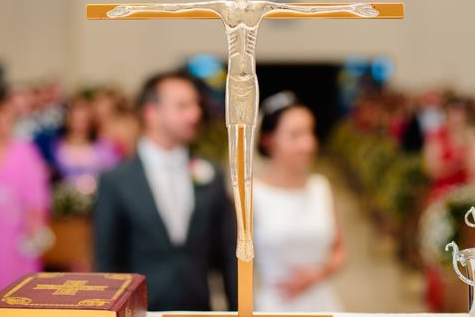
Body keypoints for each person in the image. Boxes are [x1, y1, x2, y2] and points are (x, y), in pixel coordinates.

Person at [94, 71, 237, 311]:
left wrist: (237, 311)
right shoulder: (115, 181)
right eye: (183, 106)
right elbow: (107, 264)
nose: (195, 114)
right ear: (151, 113)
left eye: (195, 105)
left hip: (199, 308)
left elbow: (227, 255)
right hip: (142, 311)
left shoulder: (211, 174)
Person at [253, 92, 344, 312]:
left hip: (321, 302)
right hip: (275, 305)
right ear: (269, 140)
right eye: (295, 135)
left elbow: (340, 249)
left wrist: (318, 274)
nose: (308, 144)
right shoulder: (252, 194)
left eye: (310, 132)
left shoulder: (320, 187)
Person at [0, 92, 51, 307]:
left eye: (8, 116)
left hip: (17, 232)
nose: (3, 122)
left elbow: (37, 196)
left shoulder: (26, 151)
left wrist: (34, 228)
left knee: (18, 291)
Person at [52, 96, 118, 190]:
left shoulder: (104, 148)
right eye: (76, 120)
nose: (80, 126)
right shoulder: (55, 147)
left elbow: (113, 175)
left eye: (84, 121)